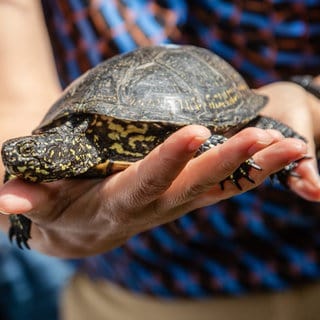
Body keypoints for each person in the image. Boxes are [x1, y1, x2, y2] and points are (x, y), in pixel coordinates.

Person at [0, 0, 319, 319]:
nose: (15, 155)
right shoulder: (62, 140)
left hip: (307, 252)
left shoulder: (123, 127)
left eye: (28, 150)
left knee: (216, 138)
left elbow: (195, 134)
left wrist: (309, 98)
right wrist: (21, 215)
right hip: (136, 288)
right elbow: (14, 103)